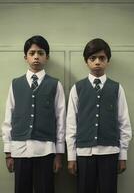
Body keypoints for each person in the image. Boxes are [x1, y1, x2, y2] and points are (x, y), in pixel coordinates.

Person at [66, 38, 132, 193]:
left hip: (110, 153)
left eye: (102, 58)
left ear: (108, 61)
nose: (97, 62)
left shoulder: (116, 88)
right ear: (86, 61)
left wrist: (123, 155)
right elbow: (71, 124)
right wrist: (71, 157)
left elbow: (124, 122)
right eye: (92, 58)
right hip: (84, 153)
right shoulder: (78, 88)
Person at [2, 35, 66, 193]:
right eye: (32, 53)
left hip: (46, 150)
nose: (36, 56)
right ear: (25, 57)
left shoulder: (55, 84)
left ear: (47, 57)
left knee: (46, 189)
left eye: (41, 53)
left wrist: (59, 154)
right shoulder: (15, 84)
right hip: (19, 149)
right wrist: (8, 152)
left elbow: (61, 120)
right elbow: (8, 118)